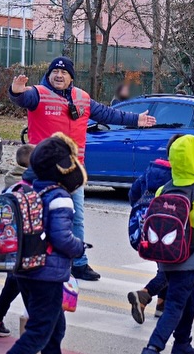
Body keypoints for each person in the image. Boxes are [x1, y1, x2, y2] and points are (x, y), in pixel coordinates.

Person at [9, 56, 156, 281]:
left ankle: (78, 262)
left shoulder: (82, 98)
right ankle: (34, 256)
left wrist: (137, 120)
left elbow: (109, 114)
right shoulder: (37, 93)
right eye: (55, 72)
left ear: (71, 78)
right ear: (48, 75)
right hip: (43, 171)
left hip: (72, 172)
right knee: (38, 216)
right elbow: (22, 98)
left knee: (75, 216)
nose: (59, 76)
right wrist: (16, 91)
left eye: (64, 72)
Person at [0, 133, 88, 354]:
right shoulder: (59, 198)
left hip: (22, 271)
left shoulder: (20, 188)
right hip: (48, 275)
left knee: (55, 325)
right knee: (40, 330)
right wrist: (80, 248)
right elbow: (63, 238)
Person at [136, 136, 194, 354]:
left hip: (164, 256)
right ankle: (151, 351)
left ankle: (182, 344)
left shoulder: (165, 188)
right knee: (175, 306)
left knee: (189, 299)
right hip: (187, 259)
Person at [125, 136, 181, 324]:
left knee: (163, 265)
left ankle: (161, 306)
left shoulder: (152, 169)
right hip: (165, 230)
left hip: (144, 228)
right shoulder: (178, 174)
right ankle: (144, 295)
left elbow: (133, 193)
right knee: (170, 270)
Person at [0, 143, 35, 338]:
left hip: (6, 242)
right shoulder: (28, 185)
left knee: (14, 282)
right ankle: (33, 330)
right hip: (23, 244)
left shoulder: (10, 182)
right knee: (25, 284)